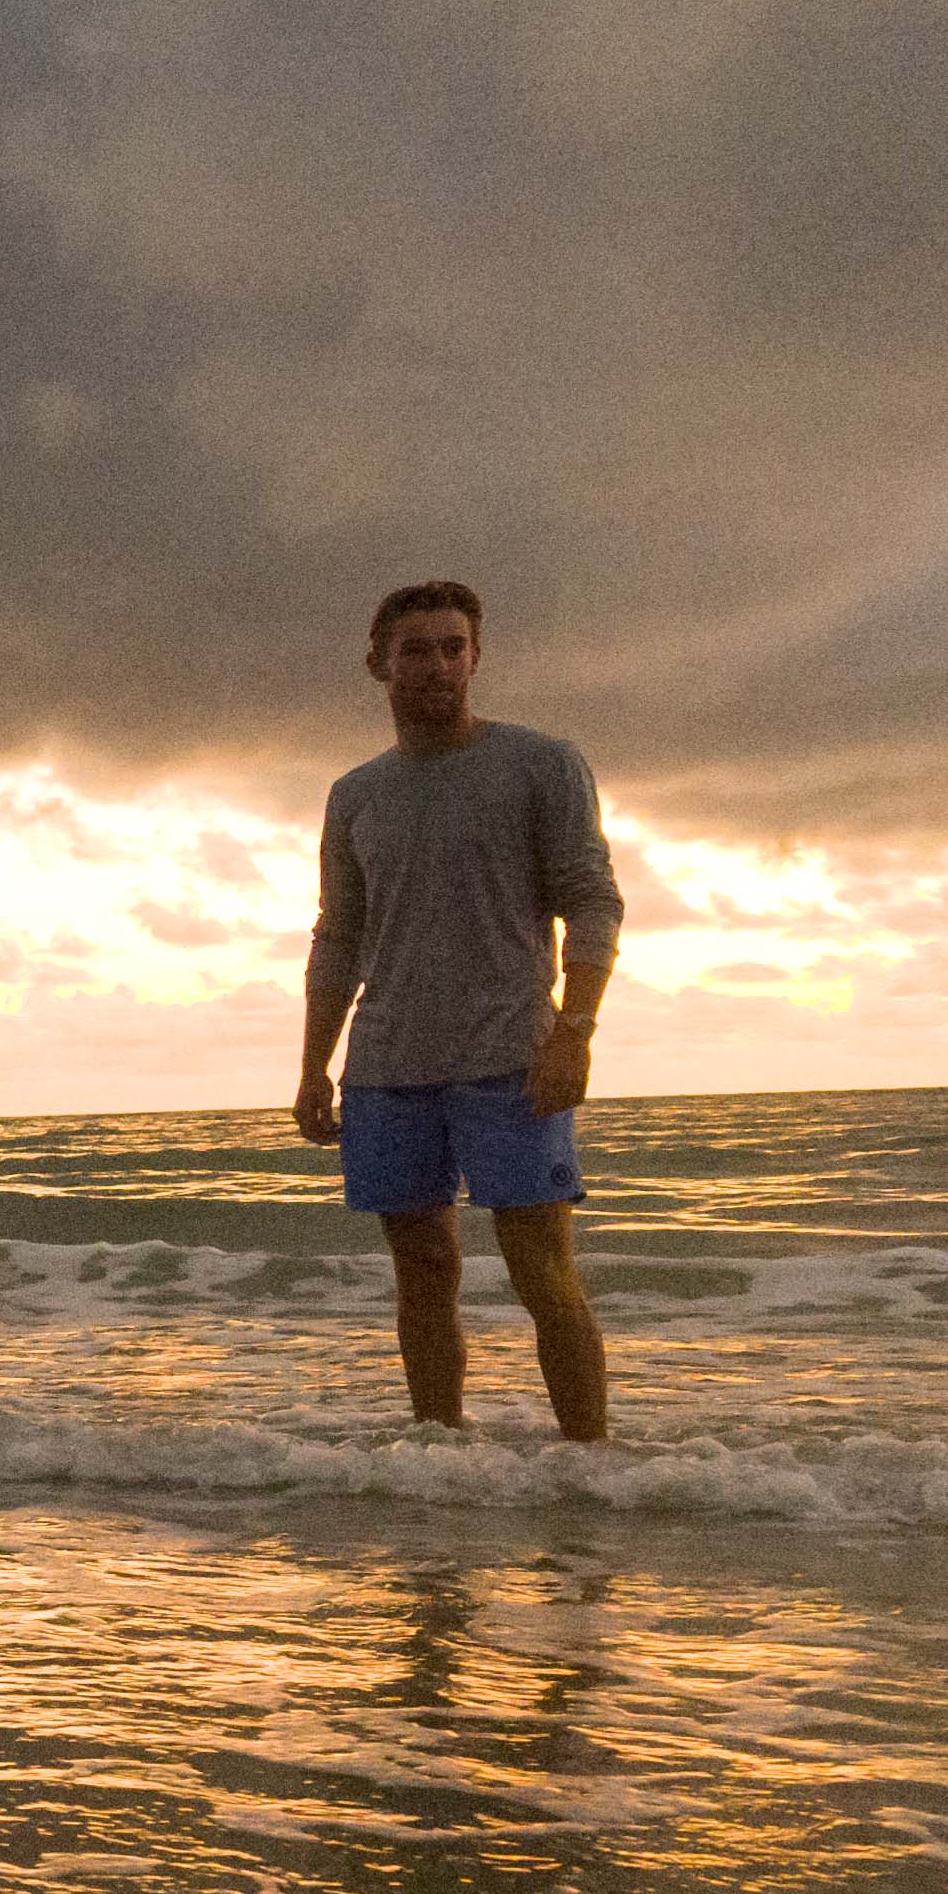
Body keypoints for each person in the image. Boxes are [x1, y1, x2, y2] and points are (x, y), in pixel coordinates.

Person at [294, 578, 622, 1441]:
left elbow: (592, 901)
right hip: (388, 1069)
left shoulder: (541, 764)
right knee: (423, 1271)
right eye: (417, 650)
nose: (438, 665)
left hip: (511, 1060)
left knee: (543, 1274)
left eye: (453, 647)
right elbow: (339, 936)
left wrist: (573, 1030)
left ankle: (589, 1468)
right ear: (378, 665)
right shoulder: (355, 794)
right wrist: (312, 1068)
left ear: (476, 657)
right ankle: (438, 1465)